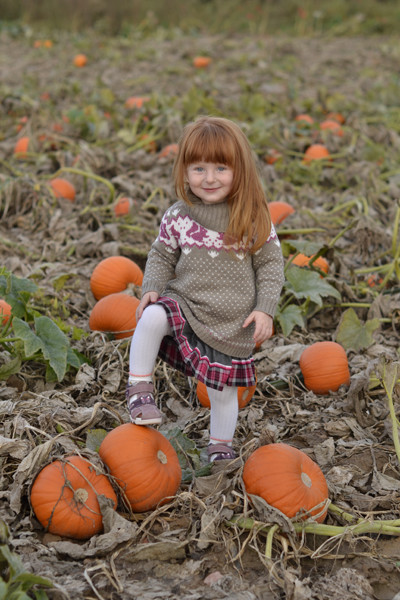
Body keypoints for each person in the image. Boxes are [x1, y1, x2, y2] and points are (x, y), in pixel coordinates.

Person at [126, 116, 285, 462]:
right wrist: (152, 286)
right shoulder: (179, 215)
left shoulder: (252, 216)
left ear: (239, 170)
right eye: (198, 168)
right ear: (184, 172)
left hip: (231, 321)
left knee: (223, 392)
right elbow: (161, 254)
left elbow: (271, 265)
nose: (209, 178)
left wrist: (265, 307)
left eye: (220, 168)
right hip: (186, 303)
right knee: (153, 315)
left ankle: (220, 447)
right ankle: (139, 389)